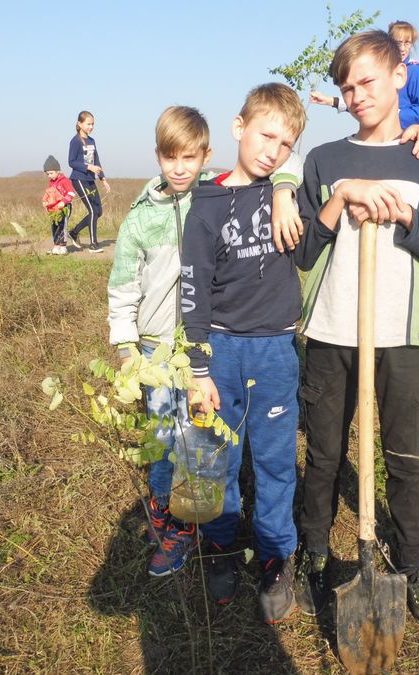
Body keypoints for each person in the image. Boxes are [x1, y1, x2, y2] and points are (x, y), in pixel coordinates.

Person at [293, 30, 419, 633]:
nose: (355, 95)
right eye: (345, 87)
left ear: (400, 76)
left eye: (367, 81)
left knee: (406, 458)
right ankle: (312, 555)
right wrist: (339, 199)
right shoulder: (325, 160)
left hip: (400, 335)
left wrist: (409, 218)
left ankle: (412, 564)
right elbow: (304, 251)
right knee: (323, 455)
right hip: (331, 330)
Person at [108, 105, 302, 579]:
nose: (180, 167)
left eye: (190, 158)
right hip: (158, 348)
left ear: (205, 156)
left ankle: (203, 524)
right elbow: (122, 287)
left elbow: (283, 156)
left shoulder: (215, 194)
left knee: (202, 443)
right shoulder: (140, 219)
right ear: (158, 156)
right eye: (171, 157)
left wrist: (282, 189)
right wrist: (126, 346)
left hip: (206, 344)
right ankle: (173, 523)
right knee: (166, 440)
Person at [179, 83, 306, 624]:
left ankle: (278, 554)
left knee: (276, 458)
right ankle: (220, 544)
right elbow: (193, 290)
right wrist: (198, 368)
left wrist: (287, 185)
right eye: (264, 134)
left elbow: (308, 166)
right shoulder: (205, 204)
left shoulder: (290, 187)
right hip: (222, 349)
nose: (272, 149)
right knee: (213, 454)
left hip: (277, 348)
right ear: (238, 127)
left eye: (284, 142)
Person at [309, 19, 419, 129]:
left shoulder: (414, 71)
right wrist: (329, 101)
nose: (402, 48)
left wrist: (393, 117)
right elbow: (366, 102)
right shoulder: (379, 68)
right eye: (398, 42)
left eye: (407, 43)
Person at [68, 110, 111, 253]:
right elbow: (71, 162)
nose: (91, 127)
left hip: (90, 179)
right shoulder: (75, 141)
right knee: (92, 210)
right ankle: (93, 244)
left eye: (92, 124)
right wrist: (88, 167)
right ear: (80, 124)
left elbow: (97, 161)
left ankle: (74, 232)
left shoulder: (92, 141)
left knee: (98, 212)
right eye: (88, 124)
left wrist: (103, 179)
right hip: (79, 179)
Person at [42, 155, 76, 255]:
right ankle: (56, 245)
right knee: (54, 226)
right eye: (48, 174)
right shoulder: (51, 182)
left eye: (51, 173)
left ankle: (63, 246)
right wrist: (46, 202)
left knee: (62, 226)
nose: (50, 176)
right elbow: (49, 194)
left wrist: (63, 202)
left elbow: (71, 193)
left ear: (58, 171)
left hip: (64, 207)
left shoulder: (65, 181)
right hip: (54, 210)